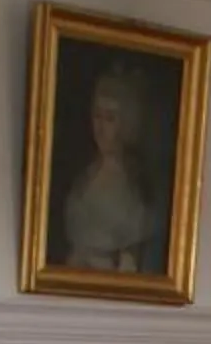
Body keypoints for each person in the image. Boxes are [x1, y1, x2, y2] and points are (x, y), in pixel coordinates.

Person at [60, 61, 164, 274]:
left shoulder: (137, 186)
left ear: (125, 124)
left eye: (109, 118)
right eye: (97, 115)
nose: (100, 127)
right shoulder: (84, 175)